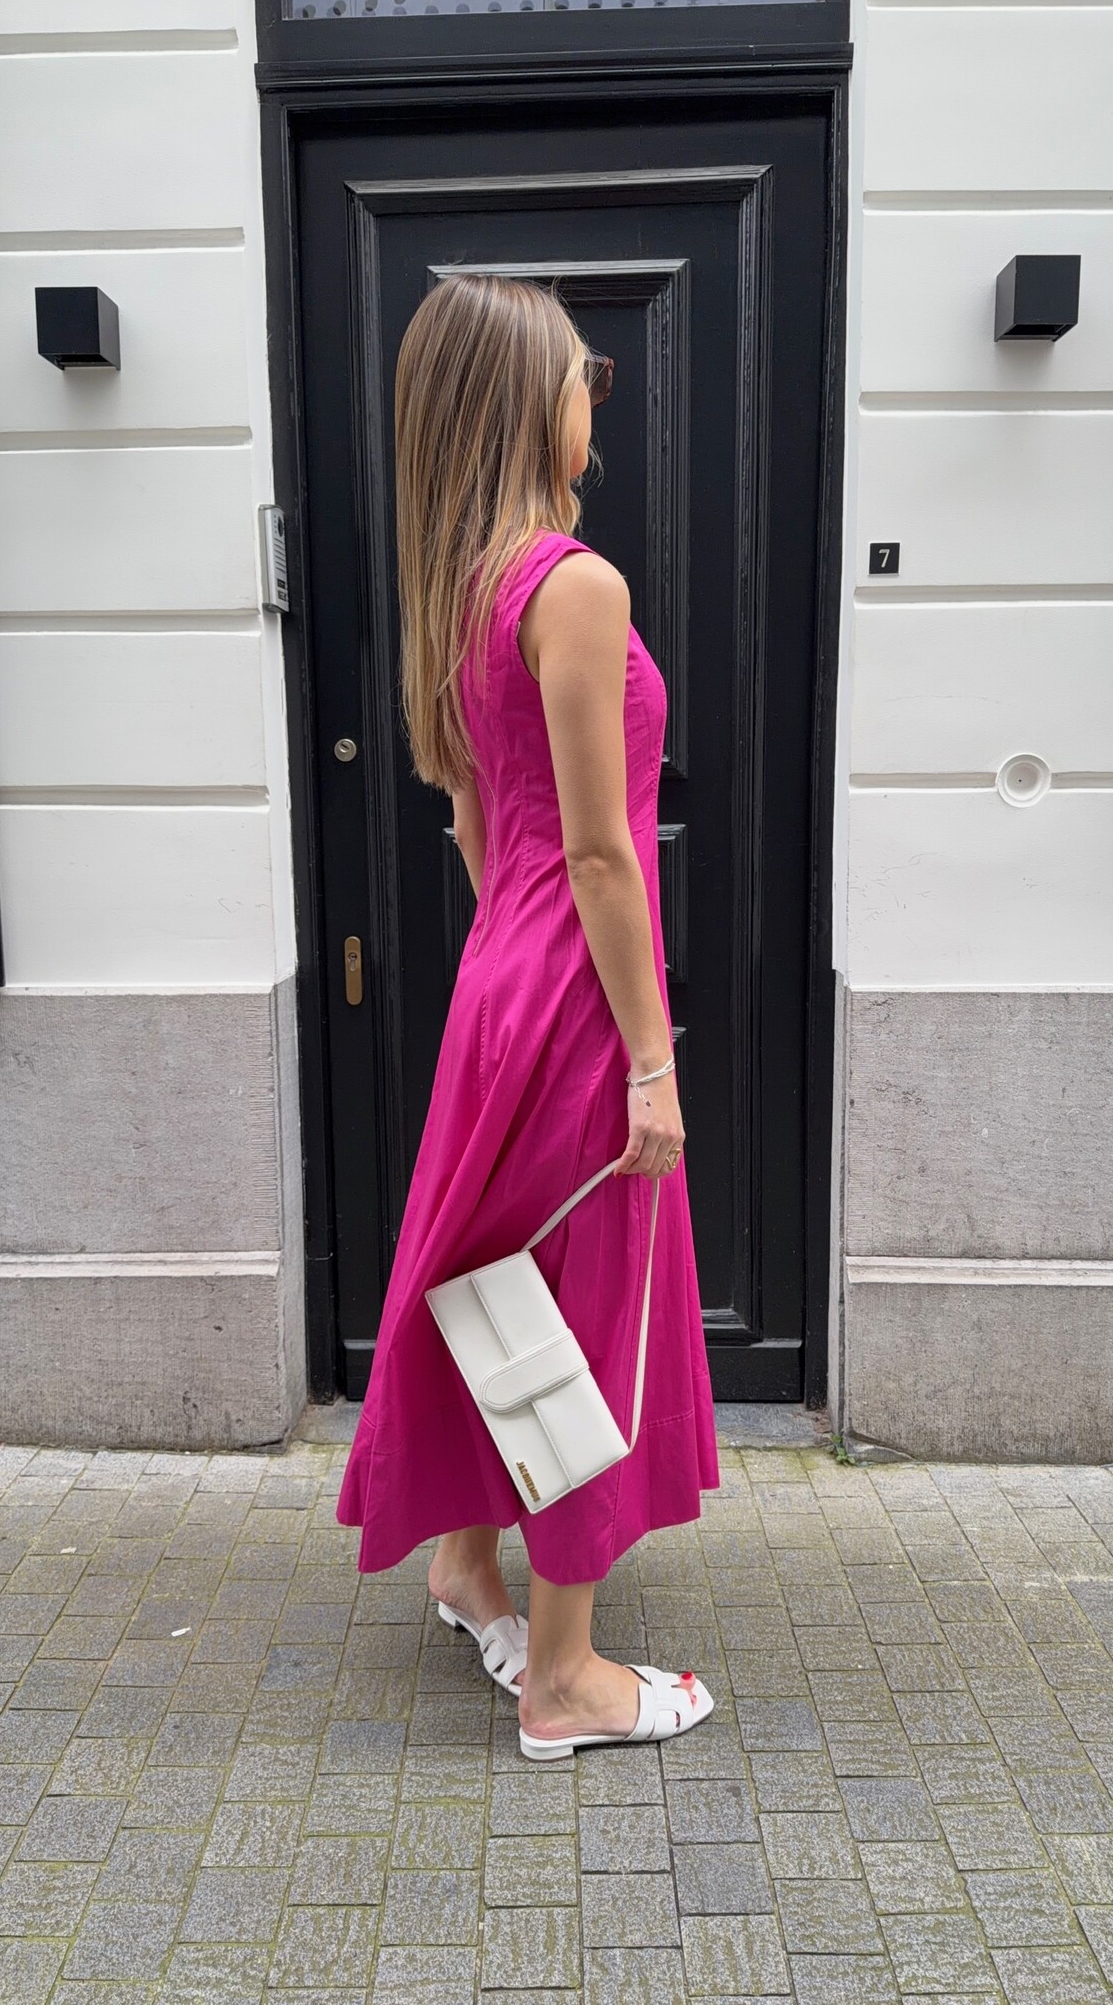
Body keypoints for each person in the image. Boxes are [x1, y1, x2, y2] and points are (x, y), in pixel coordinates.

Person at [335, 271, 720, 1759]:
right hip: (569, 993)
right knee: (589, 1299)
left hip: (505, 974)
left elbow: (478, 827)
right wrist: (649, 1060)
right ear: (523, 402)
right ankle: (562, 1681)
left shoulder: (465, 591)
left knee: (500, 1276)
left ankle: (464, 1564)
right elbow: (607, 852)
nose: (592, 404)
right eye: (581, 376)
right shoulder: (573, 584)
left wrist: (519, 947)